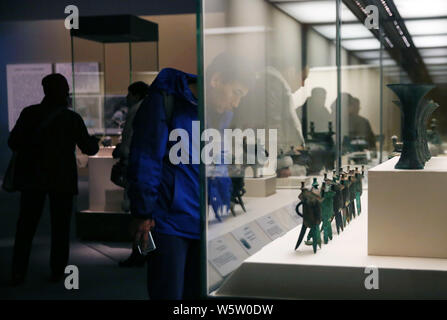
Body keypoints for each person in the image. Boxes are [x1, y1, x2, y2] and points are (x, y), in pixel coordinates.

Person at [127, 54, 252, 300]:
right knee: (169, 294)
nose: (236, 103)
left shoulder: (221, 114)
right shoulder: (166, 100)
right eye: (235, 92)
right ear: (216, 80)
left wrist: (224, 206)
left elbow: (219, 162)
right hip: (170, 223)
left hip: (205, 223)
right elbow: (146, 158)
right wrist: (142, 212)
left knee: (200, 294)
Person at [8, 73, 99, 285]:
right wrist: (94, 141)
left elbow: (13, 142)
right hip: (62, 180)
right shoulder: (71, 118)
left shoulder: (29, 113)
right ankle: (58, 271)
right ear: (64, 91)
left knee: (26, 227)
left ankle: (18, 272)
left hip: (33, 178)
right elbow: (89, 148)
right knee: (61, 228)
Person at [114, 81, 150, 268]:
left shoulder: (138, 110)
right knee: (142, 214)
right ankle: (144, 253)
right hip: (142, 168)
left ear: (136, 94)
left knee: (138, 214)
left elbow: (130, 141)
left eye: (129, 94)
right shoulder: (147, 108)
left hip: (137, 168)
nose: (127, 98)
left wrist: (123, 153)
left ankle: (139, 253)